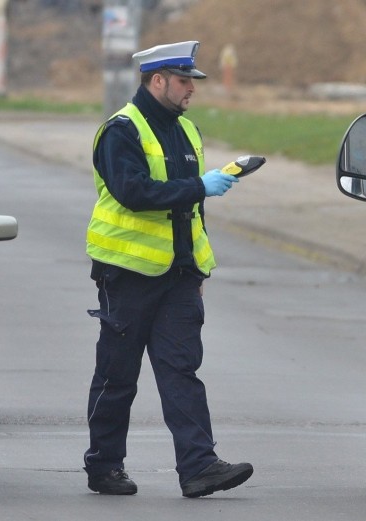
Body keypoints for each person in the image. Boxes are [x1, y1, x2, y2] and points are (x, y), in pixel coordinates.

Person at [84, 40, 253, 498]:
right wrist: (199, 185)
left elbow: (192, 209)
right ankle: (104, 465)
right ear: (157, 80)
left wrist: (198, 272)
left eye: (192, 82)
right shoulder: (121, 131)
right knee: (118, 375)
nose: (190, 90)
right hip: (128, 276)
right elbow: (133, 193)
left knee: (182, 370)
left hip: (179, 275)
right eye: (183, 82)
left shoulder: (186, 131)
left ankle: (199, 467)